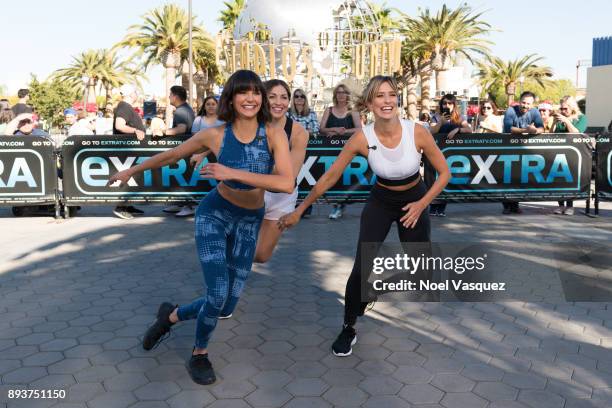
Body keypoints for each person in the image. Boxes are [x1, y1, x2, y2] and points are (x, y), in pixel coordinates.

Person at [109, 69, 293, 385]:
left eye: (255, 92)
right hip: (215, 215)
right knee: (218, 292)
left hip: (250, 220)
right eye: (242, 92)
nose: (250, 98)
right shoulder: (215, 134)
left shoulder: (274, 134)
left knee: (227, 303)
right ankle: (199, 354)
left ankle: (171, 316)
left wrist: (230, 171)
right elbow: (173, 154)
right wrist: (133, 170)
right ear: (231, 99)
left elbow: (286, 183)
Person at [278, 75, 450, 357]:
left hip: (414, 200)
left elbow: (444, 173)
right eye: (379, 96)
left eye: (391, 95)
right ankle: (348, 326)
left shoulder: (417, 132)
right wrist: (299, 209)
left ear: (397, 99)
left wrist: (421, 205)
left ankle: (375, 287)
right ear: (370, 103)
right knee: (361, 268)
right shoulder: (362, 137)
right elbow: (331, 176)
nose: (387, 101)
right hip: (381, 201)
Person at [253, 79, 309, 263]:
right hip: (252, 192)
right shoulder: (250, 123)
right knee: (243, 243)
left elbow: (288, 178)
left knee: (261, 255)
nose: (279, 102)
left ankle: (233, 260)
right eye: (272, 97)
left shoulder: (299, 132)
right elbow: (223, 134)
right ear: (263, 99)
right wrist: (204, 150)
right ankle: (225, 281)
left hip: (281, 197)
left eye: (284, 97)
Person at [320, 84, 362, 219]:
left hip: (349, 149)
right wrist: (334, 130)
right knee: (333, 178)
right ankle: (337, 205)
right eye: (338, 92)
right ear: (335, 95)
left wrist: (343, 131)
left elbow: (359, 129)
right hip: (330, 150)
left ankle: (339, 205)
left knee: (345, 178)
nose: (341, 95)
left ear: (347, 95)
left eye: (344, 92)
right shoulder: (329, 110)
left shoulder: (353, 111)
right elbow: (321, 128)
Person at [429, 94, 472, 216]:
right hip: (436, 151)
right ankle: (433, 207)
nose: (446, 106)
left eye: (449, 103)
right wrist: (441, 122)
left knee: (446, 179)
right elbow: (432, 131)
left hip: (451, 154)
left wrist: (458, 130)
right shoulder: (436, 117)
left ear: (454, 105)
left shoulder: (459, 117)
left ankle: (441, 208)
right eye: (444, 103)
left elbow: (469, 130)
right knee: (434, 179)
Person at [502, 91, 544, 214]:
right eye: (523, 102)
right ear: (519, 101)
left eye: (528, 104)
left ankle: (515, 205)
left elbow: (541, 128)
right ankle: (506, 205)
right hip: (508, 148)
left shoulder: (535, 112)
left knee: (519, 177)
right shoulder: (510, 110)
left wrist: (535, 130)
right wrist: (526, 130)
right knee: (506, 177)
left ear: (533, 104)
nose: (525, 106)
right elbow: (508, 128)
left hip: (524, 150)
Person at [160, 86, 197, 217]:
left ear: (175, 97)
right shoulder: (185, 109)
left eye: (170, 95)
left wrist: (162, 133)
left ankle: (189, 205)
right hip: (186, 148)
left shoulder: (181, 111)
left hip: (184, 149)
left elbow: (181, 129)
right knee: (181, 176)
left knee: (184, 176)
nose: (169, 97)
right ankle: (180, 203)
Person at [112, 84, 146, 220]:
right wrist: (135, 130)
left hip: (129, 149)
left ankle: (128, 204)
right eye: (136, 92)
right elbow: (119, 125)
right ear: (132, 94)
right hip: (125, 149)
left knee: (132, 177)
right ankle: (121, 206)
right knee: (127, 176)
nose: (137, 95)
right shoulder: (124, 107)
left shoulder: (125, 107)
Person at [552, 95, 588, 215]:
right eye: (561, 109)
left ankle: (570, 206)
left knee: (570, 180)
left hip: (574, 153)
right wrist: (554, 123)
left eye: (565, 109)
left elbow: (576, 133)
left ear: (572, 108)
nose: (562, 111)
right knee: (558, 179)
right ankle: (561, 205)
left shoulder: (581, 118)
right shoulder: (560, 119)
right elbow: (551, 135)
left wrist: (567, 121)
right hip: (559, 152)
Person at [288, 89, 319, 218]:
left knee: (306, 180)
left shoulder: (311, 113)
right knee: (293, 177)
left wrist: (299, 133)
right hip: (290, 150)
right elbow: (284, 129)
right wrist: (305, 131)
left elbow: (316, 130)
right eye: (296, 96)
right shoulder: (288, 113)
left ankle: (305, 208)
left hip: (308, 150)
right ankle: (291, 206)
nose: (299, 99)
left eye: (302, 96)